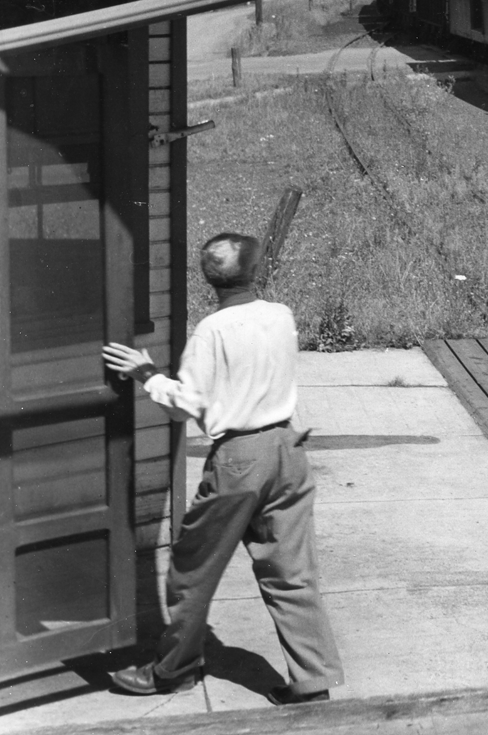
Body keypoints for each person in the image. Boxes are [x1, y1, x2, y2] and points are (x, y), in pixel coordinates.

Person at [101, 233, 343, 706]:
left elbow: (185, 405)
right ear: (256, 269)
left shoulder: (211, 331)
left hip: (239, 460)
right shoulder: (281, 316)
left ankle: (174, 670)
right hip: (288, 449)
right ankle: (313, 682)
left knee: (192, 569)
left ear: (207, 278)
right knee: (292, 571)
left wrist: (147, 374)